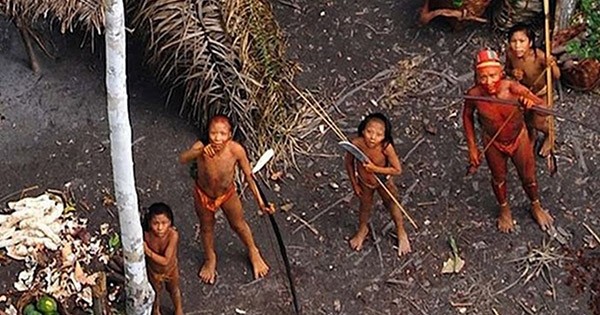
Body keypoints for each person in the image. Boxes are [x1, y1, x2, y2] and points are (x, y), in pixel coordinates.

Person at [463, 48, 554, 233]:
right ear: (477, 76)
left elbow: (545, 109)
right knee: (498, 179)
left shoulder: (514, 89)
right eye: (483, 77)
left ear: (501, 73)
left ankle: (535, 205)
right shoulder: (474, 94)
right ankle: (504, 209)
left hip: (518, 138)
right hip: (493, 142)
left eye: (492, 76)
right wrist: (472, 147)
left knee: (528, 177)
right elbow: (467, 117)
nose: (488, 82)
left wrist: (532, 104)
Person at [179, 115, 275, 284]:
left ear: (230, 135)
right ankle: (210, 258)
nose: (217, 138)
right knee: (206, 227)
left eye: (222, 134)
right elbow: (183, 158)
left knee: (238, 224)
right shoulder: (202, 147)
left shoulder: (236, 150)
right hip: (204, 195)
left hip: (227, 194)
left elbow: (249, 177)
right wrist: (199, 151)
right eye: (213, 133)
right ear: (207, 133)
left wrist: (261, 202)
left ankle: (253, 251)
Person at [343, 113, 410, 257]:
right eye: (369, 132)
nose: (373, 137)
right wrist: (354, 183)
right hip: (365, 182)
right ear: (363, 130)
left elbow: (397, 169)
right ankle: (362, 230)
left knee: (392, 204)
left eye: (379, 134)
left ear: (384, 136)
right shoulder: (356, 144)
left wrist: (375, 169)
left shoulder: (386, 147)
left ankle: (401, 231)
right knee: (364, 207)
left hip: (383, 181)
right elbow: (349, 163)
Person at [505, 23, 560, 159]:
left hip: (542, 93)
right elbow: (506, 69)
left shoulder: (539, 57)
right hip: (524, 92)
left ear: (530, 43)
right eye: (513, 41)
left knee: (539, 121)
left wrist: (552, 65)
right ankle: (532, 135)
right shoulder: (510, 54)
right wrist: (513, 72)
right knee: (526, 118)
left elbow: (557, 76)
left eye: (522, 41)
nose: (517, 46)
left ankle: (550, 134)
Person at [143, 202, 183, 315]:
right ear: (149, 223)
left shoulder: (173, 235)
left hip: (170, 269)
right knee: (155, 293)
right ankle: (156, 310)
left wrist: (148, 252)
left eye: (164, 223)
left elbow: (166, 260)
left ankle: (178, 309)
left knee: (174, 290)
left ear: (170, 223)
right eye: (155, 223)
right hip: (153, 271)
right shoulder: (146, 235)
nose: (160, 228)